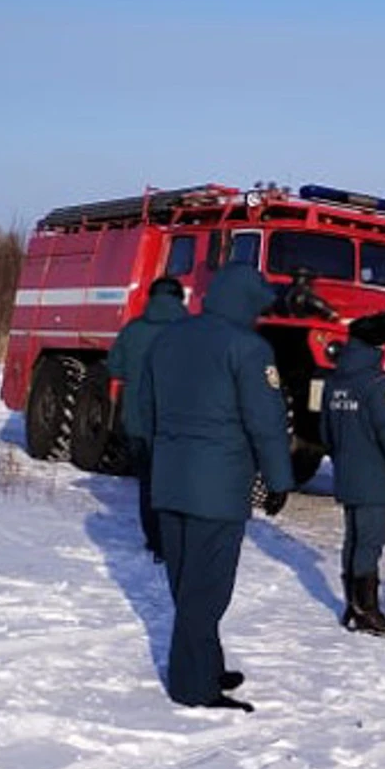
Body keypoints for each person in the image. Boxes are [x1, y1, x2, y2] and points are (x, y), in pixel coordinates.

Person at [128, 264, 295, 712]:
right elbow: (266, 423)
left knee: (187, 585)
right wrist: (278, 479)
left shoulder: (170, 338)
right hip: (218, 489)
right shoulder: (249, 348)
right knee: (207, 591)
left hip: (169, 480)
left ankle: (206, 666)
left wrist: (167, 452)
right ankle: (192, 687)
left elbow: (144, 411)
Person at [322, 311, 385, 637]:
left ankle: (354, 606)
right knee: (370, 543)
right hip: (375, 477)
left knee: (354, 540)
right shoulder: (379, 385)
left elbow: (326, 432)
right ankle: (367, 611)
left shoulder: (335, 381)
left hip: (348, 473)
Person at [105, 276, 187, 561]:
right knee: (176, 485)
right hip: (179, 426)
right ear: (181, 299)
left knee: (148, 485)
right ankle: (173, 543)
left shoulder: (133, 330)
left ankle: (154, 541)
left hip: (138, 423)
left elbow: (114, 367)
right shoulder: (191, 332)